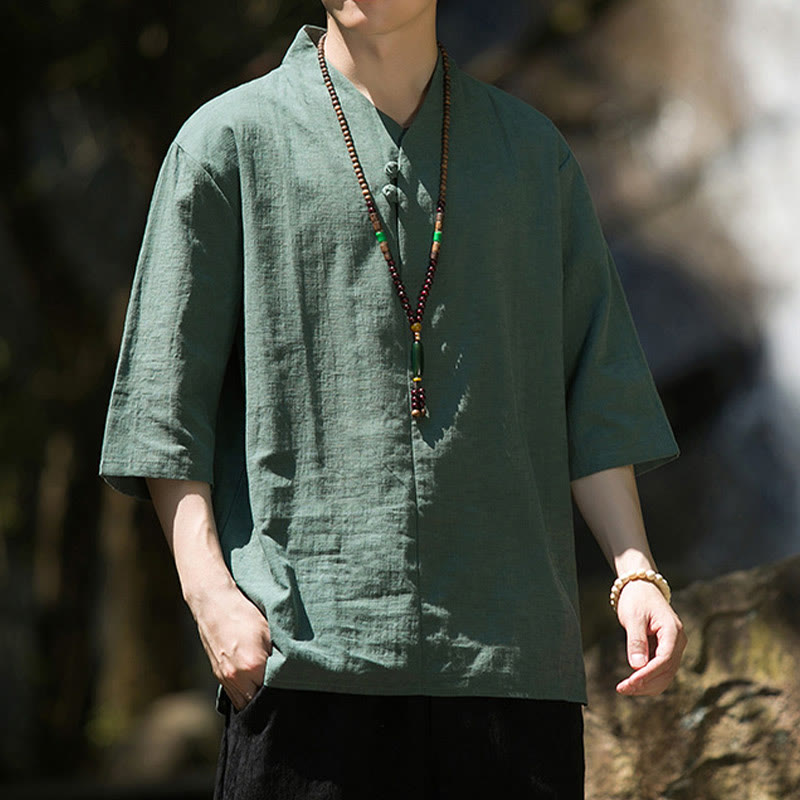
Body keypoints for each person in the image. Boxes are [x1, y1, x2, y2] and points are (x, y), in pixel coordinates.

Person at [99, 1, 687, 797]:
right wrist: (211, 599)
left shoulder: (531, 153)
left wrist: (636, 572)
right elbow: (165, 405)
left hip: (509, 670)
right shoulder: (225, 142)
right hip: (303, 660)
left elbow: (593, 388)